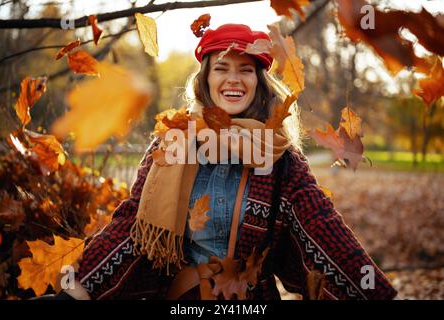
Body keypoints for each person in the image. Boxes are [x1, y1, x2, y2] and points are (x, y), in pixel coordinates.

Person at [37, 24, 397, 300]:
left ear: (259, 81)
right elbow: (132, 226)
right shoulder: (173, 144)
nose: (233, 79)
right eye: (222, 68)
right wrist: (78, 289)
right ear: (205, 80)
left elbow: (323, 228)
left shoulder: (281, 158)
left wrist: (372, 290)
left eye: (246, 70)